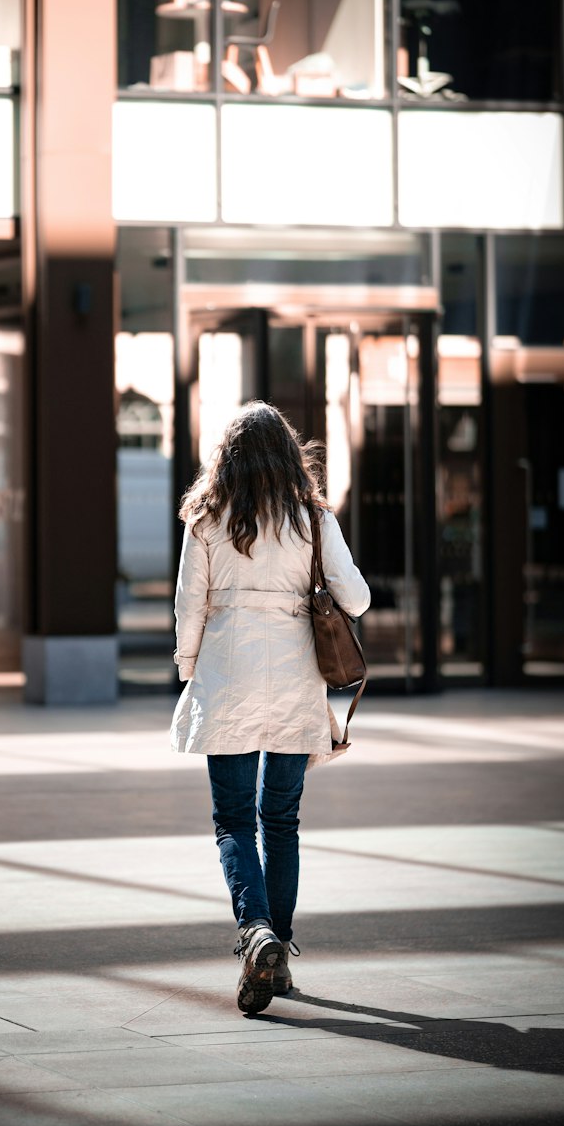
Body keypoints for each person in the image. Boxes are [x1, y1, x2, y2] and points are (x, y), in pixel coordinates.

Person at [170, 402, 370, 1016]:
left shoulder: (205, 519)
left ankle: (254, 932)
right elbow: (356, 600)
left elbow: (189, 607)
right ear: (289, 455)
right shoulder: (313, 519)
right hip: (294, 681)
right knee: (280, 820)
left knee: (234, 820)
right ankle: (277, 948)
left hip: (226, 676)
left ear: (226, 456)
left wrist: (188, 673)